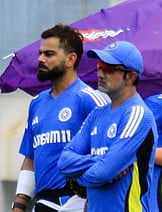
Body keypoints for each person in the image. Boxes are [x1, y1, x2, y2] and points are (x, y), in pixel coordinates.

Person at [11, 24, 109, 212]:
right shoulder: (37, 103)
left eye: (48, 54)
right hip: (43, 202)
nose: (40, 59)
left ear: (70, 59)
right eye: (40, 53)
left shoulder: (90, 99)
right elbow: (30, 159)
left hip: (79, 202)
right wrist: (19, 206)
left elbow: (109, 155)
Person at [57, 41, 158, 212]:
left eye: (109, 69)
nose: (100, 74)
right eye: (99, 67)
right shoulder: (97, 114)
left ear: (131, 77)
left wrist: (78, 177)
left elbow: (103, 173)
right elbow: (64, 162)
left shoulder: (138, 114)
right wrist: (99, 162)